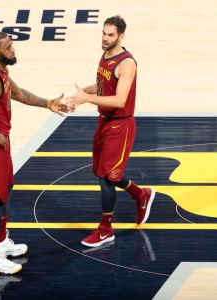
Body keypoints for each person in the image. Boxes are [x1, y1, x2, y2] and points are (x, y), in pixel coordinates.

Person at [0, 32, 68, 274]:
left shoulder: (2, 72)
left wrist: (48, 103)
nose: (13, 50)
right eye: (8, 46)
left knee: (5, 190)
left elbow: (18, 93)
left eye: (12, 45)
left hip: (0, 142)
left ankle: (1, 241)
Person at [66, 16, 155, 248]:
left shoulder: (127, 63)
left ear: (121, 36)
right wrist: (81, 95)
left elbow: (119, 99)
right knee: (104, 173)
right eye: (103, 33)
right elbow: (103, 86)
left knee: (107, 178)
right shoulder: (105, 55)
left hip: (120, 125)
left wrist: (87, 99)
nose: (105, 39)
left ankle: (106, 230)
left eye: (111, 35)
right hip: (104, 121)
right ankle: (140, 194)